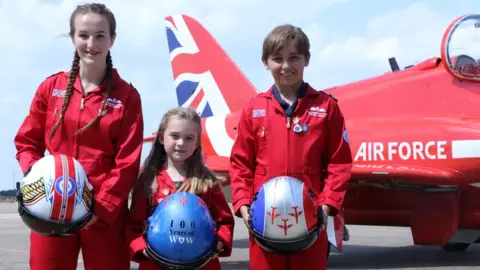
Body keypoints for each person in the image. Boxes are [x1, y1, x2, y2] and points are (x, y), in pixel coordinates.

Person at [14, 3, 144, 270]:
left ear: (112, 39)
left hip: (103, 214)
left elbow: (127, 162)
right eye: (83, 35)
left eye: (100, 35)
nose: (91, 43)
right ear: (72, 37)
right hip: (50, 208)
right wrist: (39, 181)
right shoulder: (51, 88)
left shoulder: (127, 97)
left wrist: (101, 208)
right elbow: (27, 142)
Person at [229, 24, 353, 270]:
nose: (286, 66)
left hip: (311, 220)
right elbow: (240, 163)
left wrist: (326, 207)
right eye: (278, 59)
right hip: (264, 219)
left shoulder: (327, 108)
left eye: (294, 58)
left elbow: (339, 163)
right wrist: (243, 206)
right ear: (265, 62)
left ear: (306, 59)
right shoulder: (253, 110)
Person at [126, 107, 235, 270]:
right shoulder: (148, 182)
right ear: (162, 138)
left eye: (189, 138)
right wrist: (142, 248)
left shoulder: (207, 182)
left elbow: (225, 222)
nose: (181, 143)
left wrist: (219, 242)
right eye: (175, 136)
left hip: (201, 263)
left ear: (197, 143)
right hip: (156, 263)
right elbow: (134, 225)